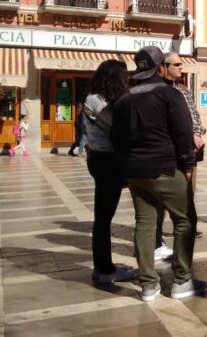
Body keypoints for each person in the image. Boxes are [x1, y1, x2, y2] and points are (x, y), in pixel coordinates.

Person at [111, 46, 201, 302]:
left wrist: (126, 168)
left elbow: (116, 139)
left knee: (144, 224)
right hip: (166, 167)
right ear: (160, 67)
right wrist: (188, 165)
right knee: (185, 220)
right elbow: (183, 133)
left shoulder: (124, 97)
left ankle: (149, 285)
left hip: (137, 172)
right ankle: (181, 280)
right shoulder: (168, 94)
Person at [84, 60, 137, 286]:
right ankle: (105, 269)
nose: (127, 80)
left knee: (103, 217)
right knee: (104, 218)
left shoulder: (98, 98)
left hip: (102, 159)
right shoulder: (96, 101)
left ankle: (101, 267)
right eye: (124, 76)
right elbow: (120, 123)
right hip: (105, 160)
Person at [153, 52, 207, 262]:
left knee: (187, 196)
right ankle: (156, 241)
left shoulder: (184, 91)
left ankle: (184, 234)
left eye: (181, 64)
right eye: (177, 64)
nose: (181, 67)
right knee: (160, 201)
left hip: (188, 153)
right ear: (164, 67)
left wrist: (198, 133)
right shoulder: (157, 91)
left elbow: (195, 117)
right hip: (167, 155)